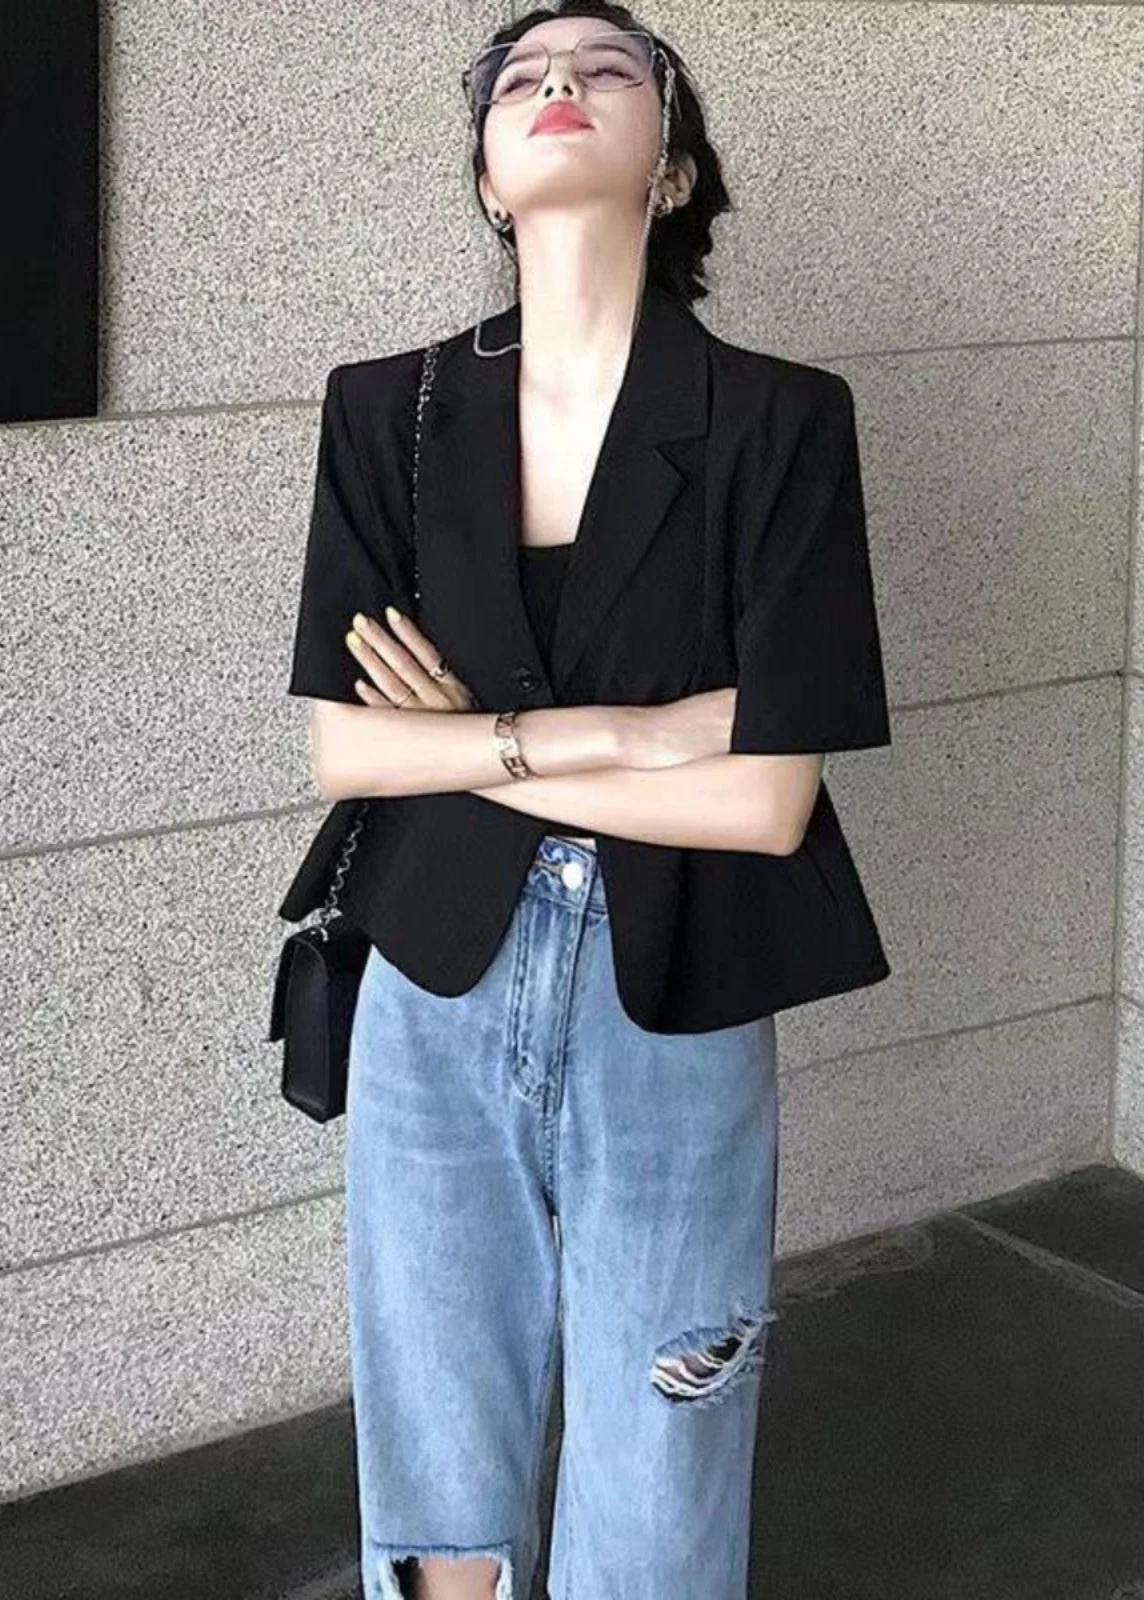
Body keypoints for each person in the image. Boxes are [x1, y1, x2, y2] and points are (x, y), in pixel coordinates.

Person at [280, 5, 893, 1597]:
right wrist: (634, 731)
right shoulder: (387, 410)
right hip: (432, 970)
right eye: (522, 79)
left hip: (675, 985)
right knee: (433, 1421)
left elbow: (767, 803)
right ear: (490, 178)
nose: (558, 84)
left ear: (673, 169)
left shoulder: (782, 419)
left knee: (669, 1416)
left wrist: (474, 742)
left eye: (607, 69)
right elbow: (349, 753)